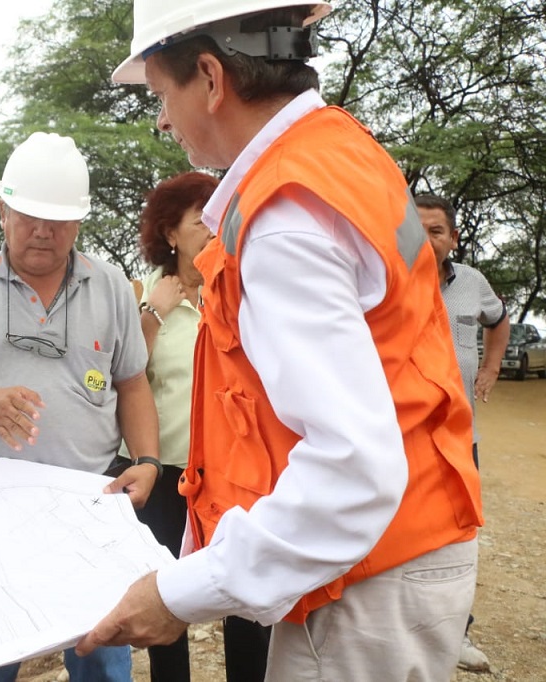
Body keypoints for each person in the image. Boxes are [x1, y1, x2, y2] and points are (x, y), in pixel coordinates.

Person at [75, 2, 484, 680]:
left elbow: (350, 468)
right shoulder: (340, 152)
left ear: (209, 78)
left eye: (160, 95)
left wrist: (178, 594)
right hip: (402, 546)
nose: (162, 120)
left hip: (365, 579)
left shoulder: (284, 217)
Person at [0, 131, 160, 682]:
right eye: (28, 216)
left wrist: (146, 461)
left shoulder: (113, 287)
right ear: (3, 210)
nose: (42, 232)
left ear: (79, 221)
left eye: (58, 220)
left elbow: (134, 384)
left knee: (103, 664)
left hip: (87, 511)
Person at [123, 170, 271, 682]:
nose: (214, 227)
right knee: (169, 592)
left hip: (234, 473)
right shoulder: (144, 296)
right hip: (163, 470)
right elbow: (126, 378)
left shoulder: (240, 292)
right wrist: (151, 315)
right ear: (169, 233)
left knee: (244, 593)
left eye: (220, 215)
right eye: (199, 219)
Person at [416, 193, 509, 672]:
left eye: (436, 231)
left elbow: (499, 320)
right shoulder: (383, 280)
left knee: (456, 537)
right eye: (417, 229)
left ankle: (456, 633)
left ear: (453, 239)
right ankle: (402, 633)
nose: (426, 240)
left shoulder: (472, 282)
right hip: (402, 438)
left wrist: (490, 367)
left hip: (458, 437)